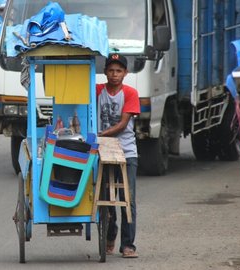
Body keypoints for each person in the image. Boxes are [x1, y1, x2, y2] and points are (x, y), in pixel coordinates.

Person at [96, 53, 140, 258]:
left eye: (119, 71)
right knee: (105, 198)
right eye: (111, 70)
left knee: (127, 199)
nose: (114, 74)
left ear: (125, 73)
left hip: (126, 152)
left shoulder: (130, 93)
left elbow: (122, 125)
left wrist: (98, 134)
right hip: (102, 152)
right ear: (105, 72)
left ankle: (128, 245)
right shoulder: (97, 91)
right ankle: (109, 234)